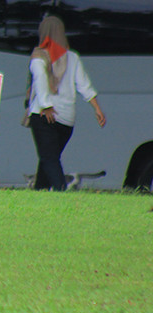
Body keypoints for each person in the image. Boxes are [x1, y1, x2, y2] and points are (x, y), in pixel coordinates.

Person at [26, 15, 106, 191]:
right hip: (67, 120)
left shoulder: (39, 57)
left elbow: (39, 80)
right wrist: (97, 108)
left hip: (44, 115)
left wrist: (46, 106)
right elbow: (84, 85)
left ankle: (61, 191)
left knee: (49, 158)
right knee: (49, 157)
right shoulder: (73, 57)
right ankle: (39, 192)